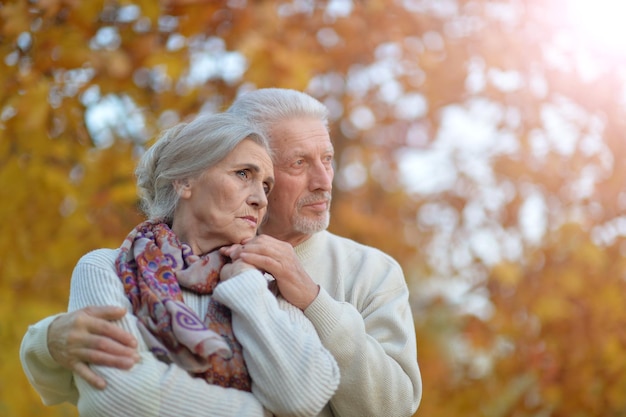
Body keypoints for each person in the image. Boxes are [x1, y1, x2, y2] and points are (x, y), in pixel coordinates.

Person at [21, 89, 422, 416]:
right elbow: (109, 391)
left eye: (328, 160)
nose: (323, 181)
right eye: (299, 163)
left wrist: (316, 301)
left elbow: (391, 406)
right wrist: (45, 341)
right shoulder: (134, 264)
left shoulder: (372, 271)